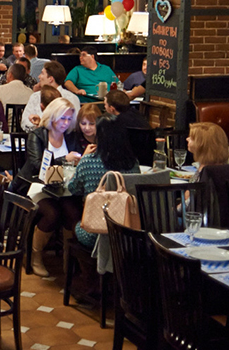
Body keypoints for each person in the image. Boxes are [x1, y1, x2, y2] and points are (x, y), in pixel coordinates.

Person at [45, 116, 141, 262]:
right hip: (127, 230)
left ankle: (75, 265)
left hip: (95, 232)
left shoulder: (89, 161)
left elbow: (74, 188)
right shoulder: (133, 163)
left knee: (71, 216)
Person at [9, 98, 82, 196]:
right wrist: (64, 160)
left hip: (62, 187)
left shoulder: (71, 136)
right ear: (52, 117)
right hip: (32, 186)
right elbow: (37, 165)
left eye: (69, 119)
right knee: (52, 206)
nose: (66, 123)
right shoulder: (37, 135)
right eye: (62, 118)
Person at [21, 61, 81, 132]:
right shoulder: (35, 97)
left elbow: (75, 124)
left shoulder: (71, 98)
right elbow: (25, 121)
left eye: (42, 73)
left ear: (50, 79)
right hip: (38, 135)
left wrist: (43, 124)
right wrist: (38, 128)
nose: (39, 76)